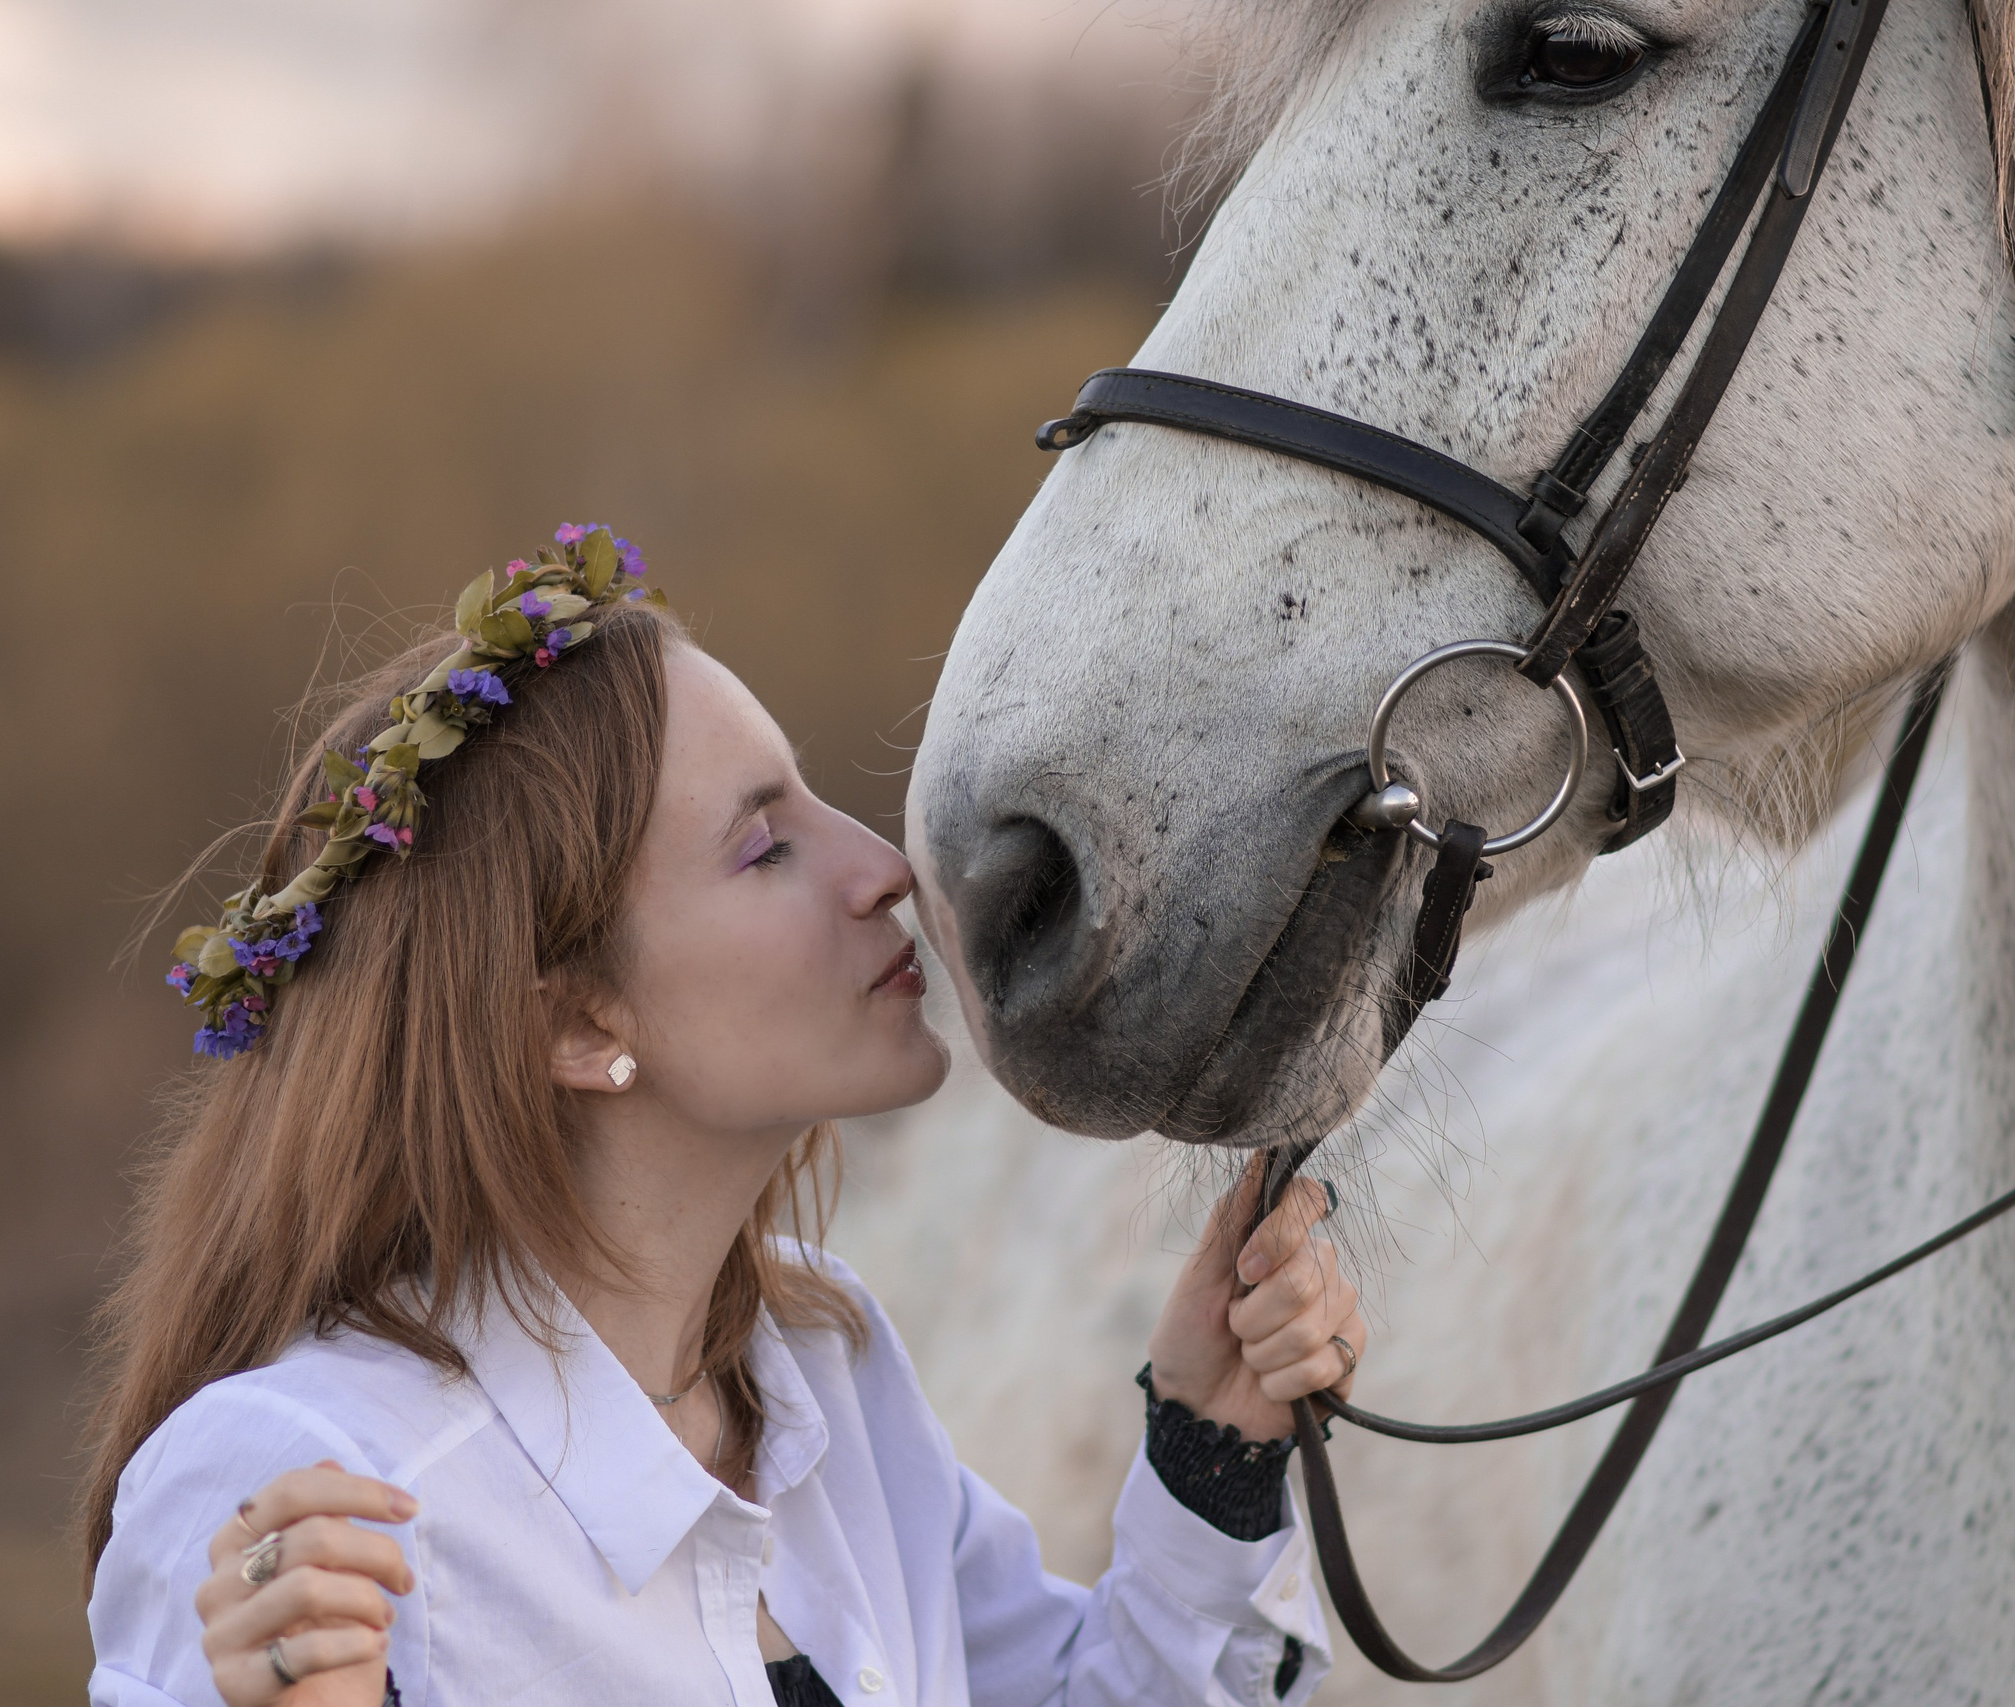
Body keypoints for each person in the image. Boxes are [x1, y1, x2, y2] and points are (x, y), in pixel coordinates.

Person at [82, 530, 1367, 1706]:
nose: (883, 870)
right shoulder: (303, 1474)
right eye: (766, 848)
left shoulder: (820, 1366)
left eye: (811, 802)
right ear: (579, 1026)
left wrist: (1212, 1451)